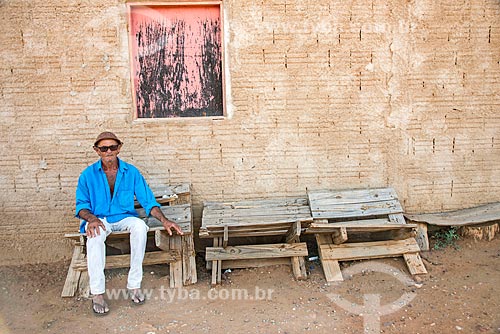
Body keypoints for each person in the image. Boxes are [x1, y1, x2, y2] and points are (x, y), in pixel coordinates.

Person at [75, 131, 183, 316]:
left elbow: (148, 201)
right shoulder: (87, 175)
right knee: (94, 238)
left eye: (113, 147)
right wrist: (91, 219)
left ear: (119, 148)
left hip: (123, 216)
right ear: (97, 150)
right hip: (98, 219)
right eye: (104, 148)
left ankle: (134, 286)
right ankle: (98, 294)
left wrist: (165, 221)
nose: (109, 151)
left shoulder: (131, 172)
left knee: (140, 227)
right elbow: (81, 206)